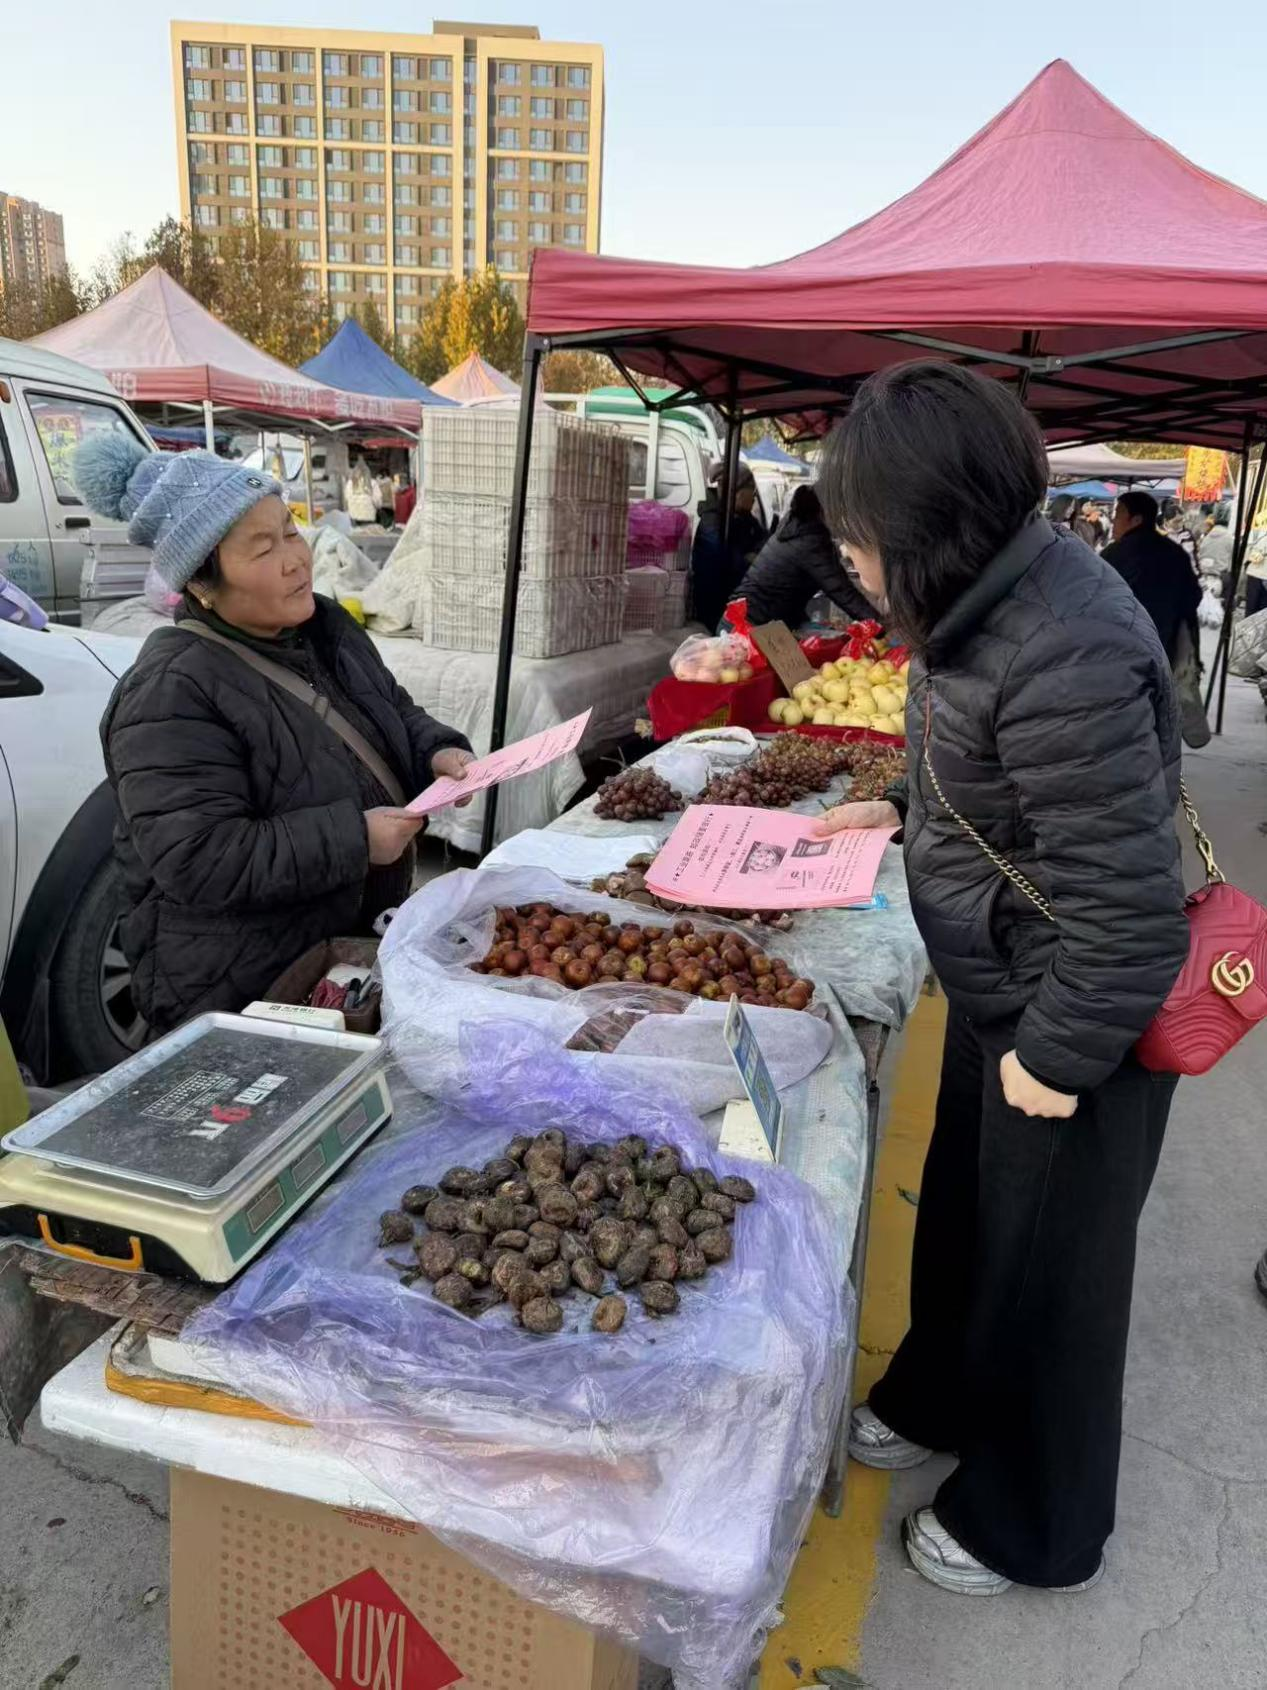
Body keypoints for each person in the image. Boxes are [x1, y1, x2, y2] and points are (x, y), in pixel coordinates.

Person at [813, 362, 1188, 1598]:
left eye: (862, 542)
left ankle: (1036, 1520)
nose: (854, 566)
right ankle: (938, 1394)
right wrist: (892, 802)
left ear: (926, 533)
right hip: (1001, 984)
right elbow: (993, 785)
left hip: (1079, 1015)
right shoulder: (980, 603)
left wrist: (1053, 1059)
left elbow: (1130, 922)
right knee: (970, 1223)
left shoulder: (1065, 644)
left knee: (1054, 1278)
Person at [74, 434, 473, 1034]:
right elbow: (198, 857)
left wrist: (436, 749)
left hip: (339, 960)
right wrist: (353, 840)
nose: (295, 559)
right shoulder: (170, 690)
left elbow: (388, 708)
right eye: (262, 549)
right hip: (244, 989)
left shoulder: (324, 627)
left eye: (289, 531)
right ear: (202, 584)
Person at [734, 484, 876, 629]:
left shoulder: (796, 527)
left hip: (751, 621)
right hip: (747, 626)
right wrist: (881, 626)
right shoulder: (810, 541)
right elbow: (841, 591)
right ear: (825, 510)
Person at [1101, 489, 1202, 664]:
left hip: (1119, 650)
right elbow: (1194, 596)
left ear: (1136, 520)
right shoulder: (1176, 552)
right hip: (1163, 648)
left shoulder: (1115, 554)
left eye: (1118, 516)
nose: (1113, 522)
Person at [690, 461, 767, 632]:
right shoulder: (713, 524)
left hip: (737, 601)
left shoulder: (744, 518)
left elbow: (765, 541)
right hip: (716, 611)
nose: (754, 496)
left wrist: (753, 554)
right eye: (751, 490)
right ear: (737, 493)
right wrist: (750, 559)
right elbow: (728, 566)